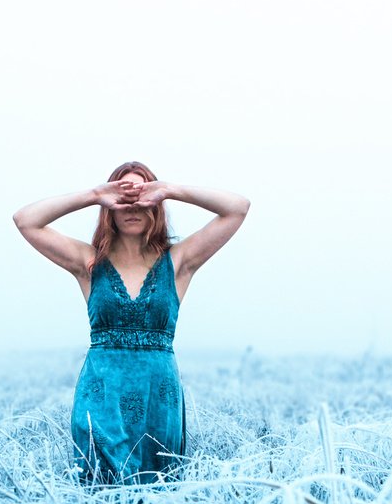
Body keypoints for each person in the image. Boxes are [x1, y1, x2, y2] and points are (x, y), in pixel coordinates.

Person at [13, 162, 249, 484]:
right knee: (101, 494)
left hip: (159, 400)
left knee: (158, 497)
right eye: (124, 198)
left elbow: (237, 209)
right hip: (101, 398)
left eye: (142, 197)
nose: (133, 206)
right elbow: (26, 221)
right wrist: (96, 194)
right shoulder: (88, 262)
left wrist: (169, 189)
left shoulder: (178, 262)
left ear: (157, 206)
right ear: (109, 208)